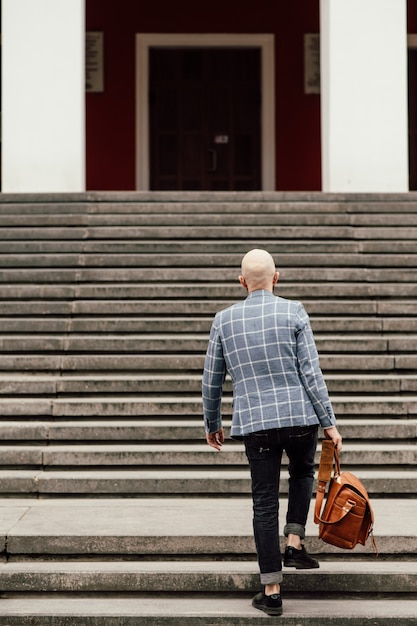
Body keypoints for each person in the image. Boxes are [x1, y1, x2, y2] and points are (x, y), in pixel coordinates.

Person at [202, 248, 342, 617]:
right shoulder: (293, 311)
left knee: (263, 502)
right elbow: (311, 374)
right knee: (302, 473)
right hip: (299, 418)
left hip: (256, 423)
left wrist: (212, 422)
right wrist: (329, 422)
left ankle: (272, 589)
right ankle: (294, 542)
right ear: (276, 278)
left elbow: (212, 379)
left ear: (241, 281)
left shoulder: (224, 320)